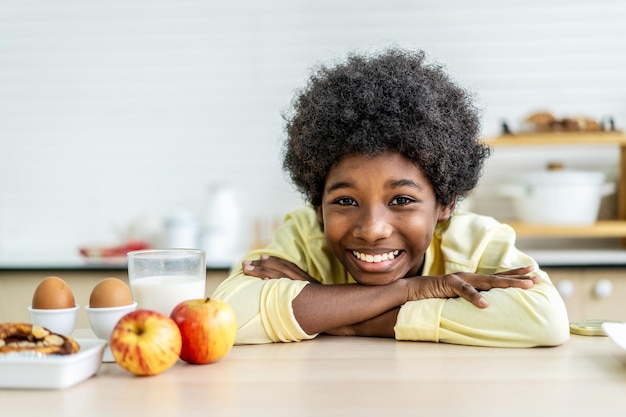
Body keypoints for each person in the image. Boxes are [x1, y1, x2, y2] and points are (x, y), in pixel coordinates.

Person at [211, 47, 570, 347]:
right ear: (317, 206)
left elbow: (545, 319)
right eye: (345, 201)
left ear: (445, 203)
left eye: (401, 200)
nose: (372, 230)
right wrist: (412, 291)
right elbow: (227, 312)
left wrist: (337, 314)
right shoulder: (304, 235)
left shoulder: (476, 241)